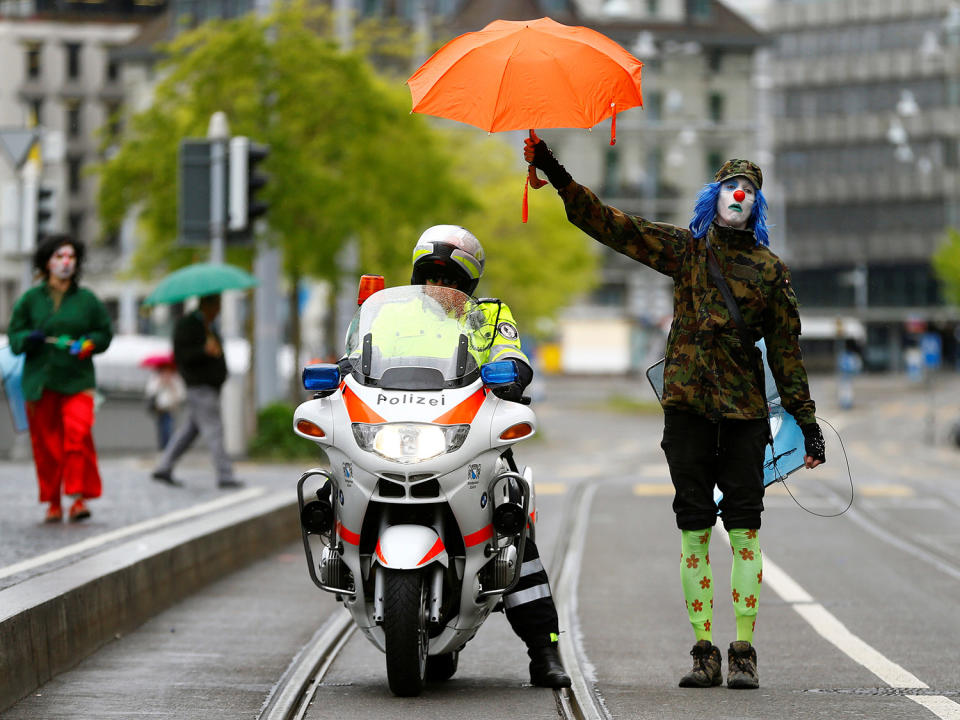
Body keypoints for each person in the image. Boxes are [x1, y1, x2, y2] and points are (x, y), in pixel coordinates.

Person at [524, 133, 825, 690]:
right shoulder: (687, 251)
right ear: (714, 196)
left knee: (744, 531)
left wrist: (808, 425)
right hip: (686, 411)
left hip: (743, 418)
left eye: (750, 190)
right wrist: (555, 173)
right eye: (732, 186)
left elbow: (787, 355)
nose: (740, 194)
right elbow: (612, 225)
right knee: (692, 531)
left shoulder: (770, 272)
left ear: (757, 204)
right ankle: (704, 652)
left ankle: (743, 652)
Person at [322, 225, 570, 688]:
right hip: (396, 429)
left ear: (468, 285)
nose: (441, 288)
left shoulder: (489, 316)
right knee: (331, 483)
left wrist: (513, 375)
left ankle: (544, 650)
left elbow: (513, 355)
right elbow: (355, 359)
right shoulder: (389, 316)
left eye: (452, 280)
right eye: (432, 276)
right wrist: (338, 375)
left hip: (466, 431)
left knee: (511, 523)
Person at [7, 234, 113, 523]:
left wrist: (90, 343)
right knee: (47, 446)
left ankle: (78, 498)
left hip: (78, 381)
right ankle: (53, 501)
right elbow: (14, 338)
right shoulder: (30, 299)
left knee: (77, 436)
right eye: (59, 257)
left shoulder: (87, 300)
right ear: (47, 262)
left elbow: (105, 334)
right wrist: (29, 338)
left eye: (71, 257)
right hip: (41, 384)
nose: (66, 263)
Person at [151, 293, 242, 489]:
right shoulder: (188, 325)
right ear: (207, 305)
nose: (219, 310)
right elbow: (181, 354)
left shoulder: (209, 327)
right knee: (214, 429)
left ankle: (164, 466)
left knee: (190, 430)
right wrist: (204, 351)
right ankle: (225, 475)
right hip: (199, 385)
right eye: (217, 306)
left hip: (208, 386)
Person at [145, 360, 186, 450]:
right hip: (159, 409)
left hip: (171, 409)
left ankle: (168, 448)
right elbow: (150, 392)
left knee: (169, 428)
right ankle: (163, 447)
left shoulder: (176, 379)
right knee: (161, 429)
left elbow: (181, 395)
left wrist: (172, 386)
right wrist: (160, 383)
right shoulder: (156, 378)